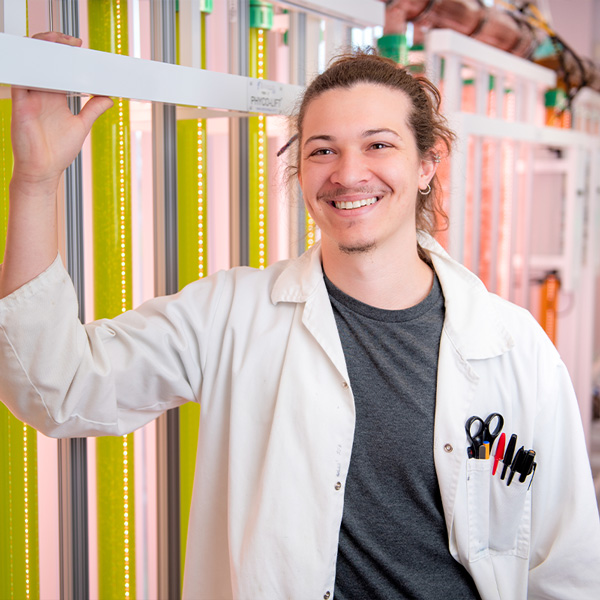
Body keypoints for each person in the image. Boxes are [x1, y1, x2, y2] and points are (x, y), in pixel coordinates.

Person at [1, 33, 599, 600]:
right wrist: (36, 179)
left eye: (379, 144)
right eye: (323, 151)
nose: (348, 172)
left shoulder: (517, 348)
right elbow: (58, 387)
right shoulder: (231, 316)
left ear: (427, 164)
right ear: (301, 172)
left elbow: (567, 565)